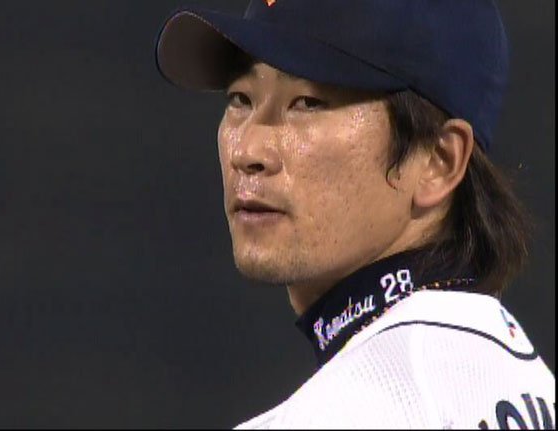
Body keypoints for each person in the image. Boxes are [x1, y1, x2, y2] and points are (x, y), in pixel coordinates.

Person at [155, 0, 555, 428]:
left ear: (438, 161)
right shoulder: (530, 388)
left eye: (307, 103)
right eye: (241, 99)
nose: (247, 150)